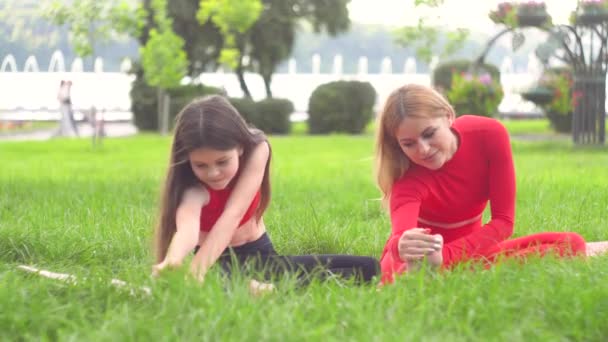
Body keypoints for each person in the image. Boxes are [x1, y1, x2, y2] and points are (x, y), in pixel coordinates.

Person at [374, 84, 608, 284]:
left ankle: (455, 275)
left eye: (429, 133)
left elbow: (503, 222)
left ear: (448, 116)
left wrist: (446, 255)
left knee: (572, 243)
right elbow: (401, 238)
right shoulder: (408, 177)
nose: (422, 150)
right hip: (417, 263)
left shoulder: (488, 134)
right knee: (415, 275)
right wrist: (401, 246)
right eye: (408, 144)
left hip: (471, 250)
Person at [152, 95, 379, 290]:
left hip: (261, 255)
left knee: (370, 267)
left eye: (222, 161)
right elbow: (187, 230)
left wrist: (195, 273)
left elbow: (233, 214)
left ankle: (264, 288)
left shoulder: (257, 149)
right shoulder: (192, 188)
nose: (213, 173)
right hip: (216, 264)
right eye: (201, 165)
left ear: (240, 147)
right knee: (217, 283)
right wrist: (174, 261)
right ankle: (252, 288)